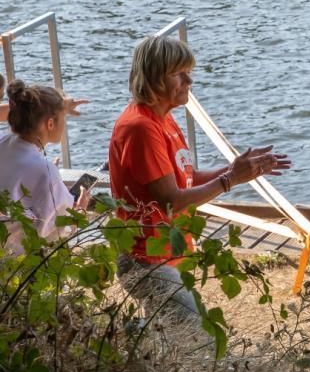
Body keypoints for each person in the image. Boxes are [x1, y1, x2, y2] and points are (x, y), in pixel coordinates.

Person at [108, 36, 290, 319]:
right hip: (147, 259)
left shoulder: (162, 118)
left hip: (167, 252)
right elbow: (172, 203)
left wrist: (238, 170)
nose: (189, 81)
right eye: (179, 73)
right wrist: (229, 180)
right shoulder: (140, 128)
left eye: (188, 72)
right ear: (154, 77)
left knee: (164, 335)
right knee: (198, 336)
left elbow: (187, 178)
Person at [0, 82, 88, 255]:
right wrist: (80, 211)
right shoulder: (44, 171)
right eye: (63, 117)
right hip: (20, 262)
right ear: (50, 124)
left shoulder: (3, 141)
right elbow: (57, 234)